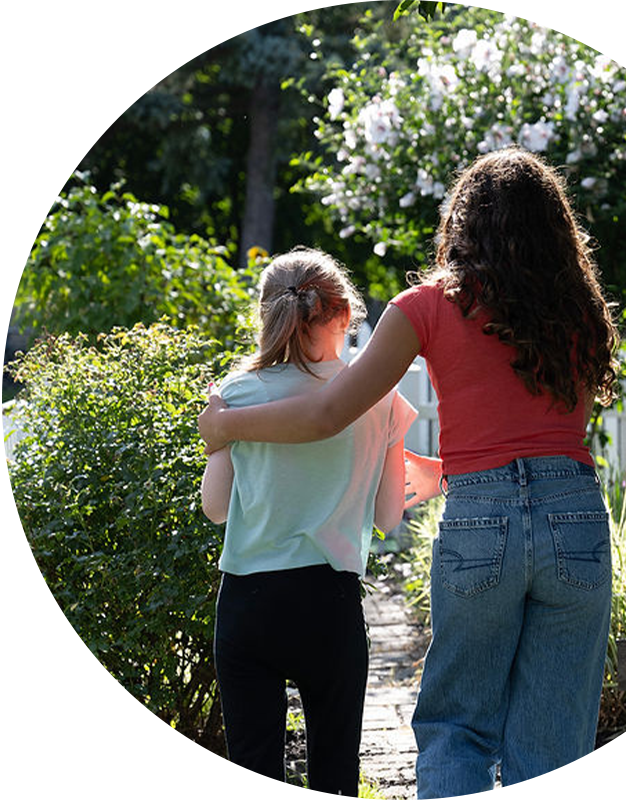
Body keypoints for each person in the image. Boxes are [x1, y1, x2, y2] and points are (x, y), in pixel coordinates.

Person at [199, 147, 619, 799]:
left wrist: (226, 428)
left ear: (462, 221)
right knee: (551, 737)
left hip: (481, 520)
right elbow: (526, 432)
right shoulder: (581, 310)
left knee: (459, 727)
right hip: (576, 513)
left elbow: (327, 413)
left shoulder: (425, 307)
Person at [200, 246, 416, 800]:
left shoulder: (237, 395)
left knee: (254, 781)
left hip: (249, 602)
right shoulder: (382, 400)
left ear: (268, 316)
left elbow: (217, 508)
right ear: (345, 314)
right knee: (335, 779)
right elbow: (389, 516)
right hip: (330, 604)